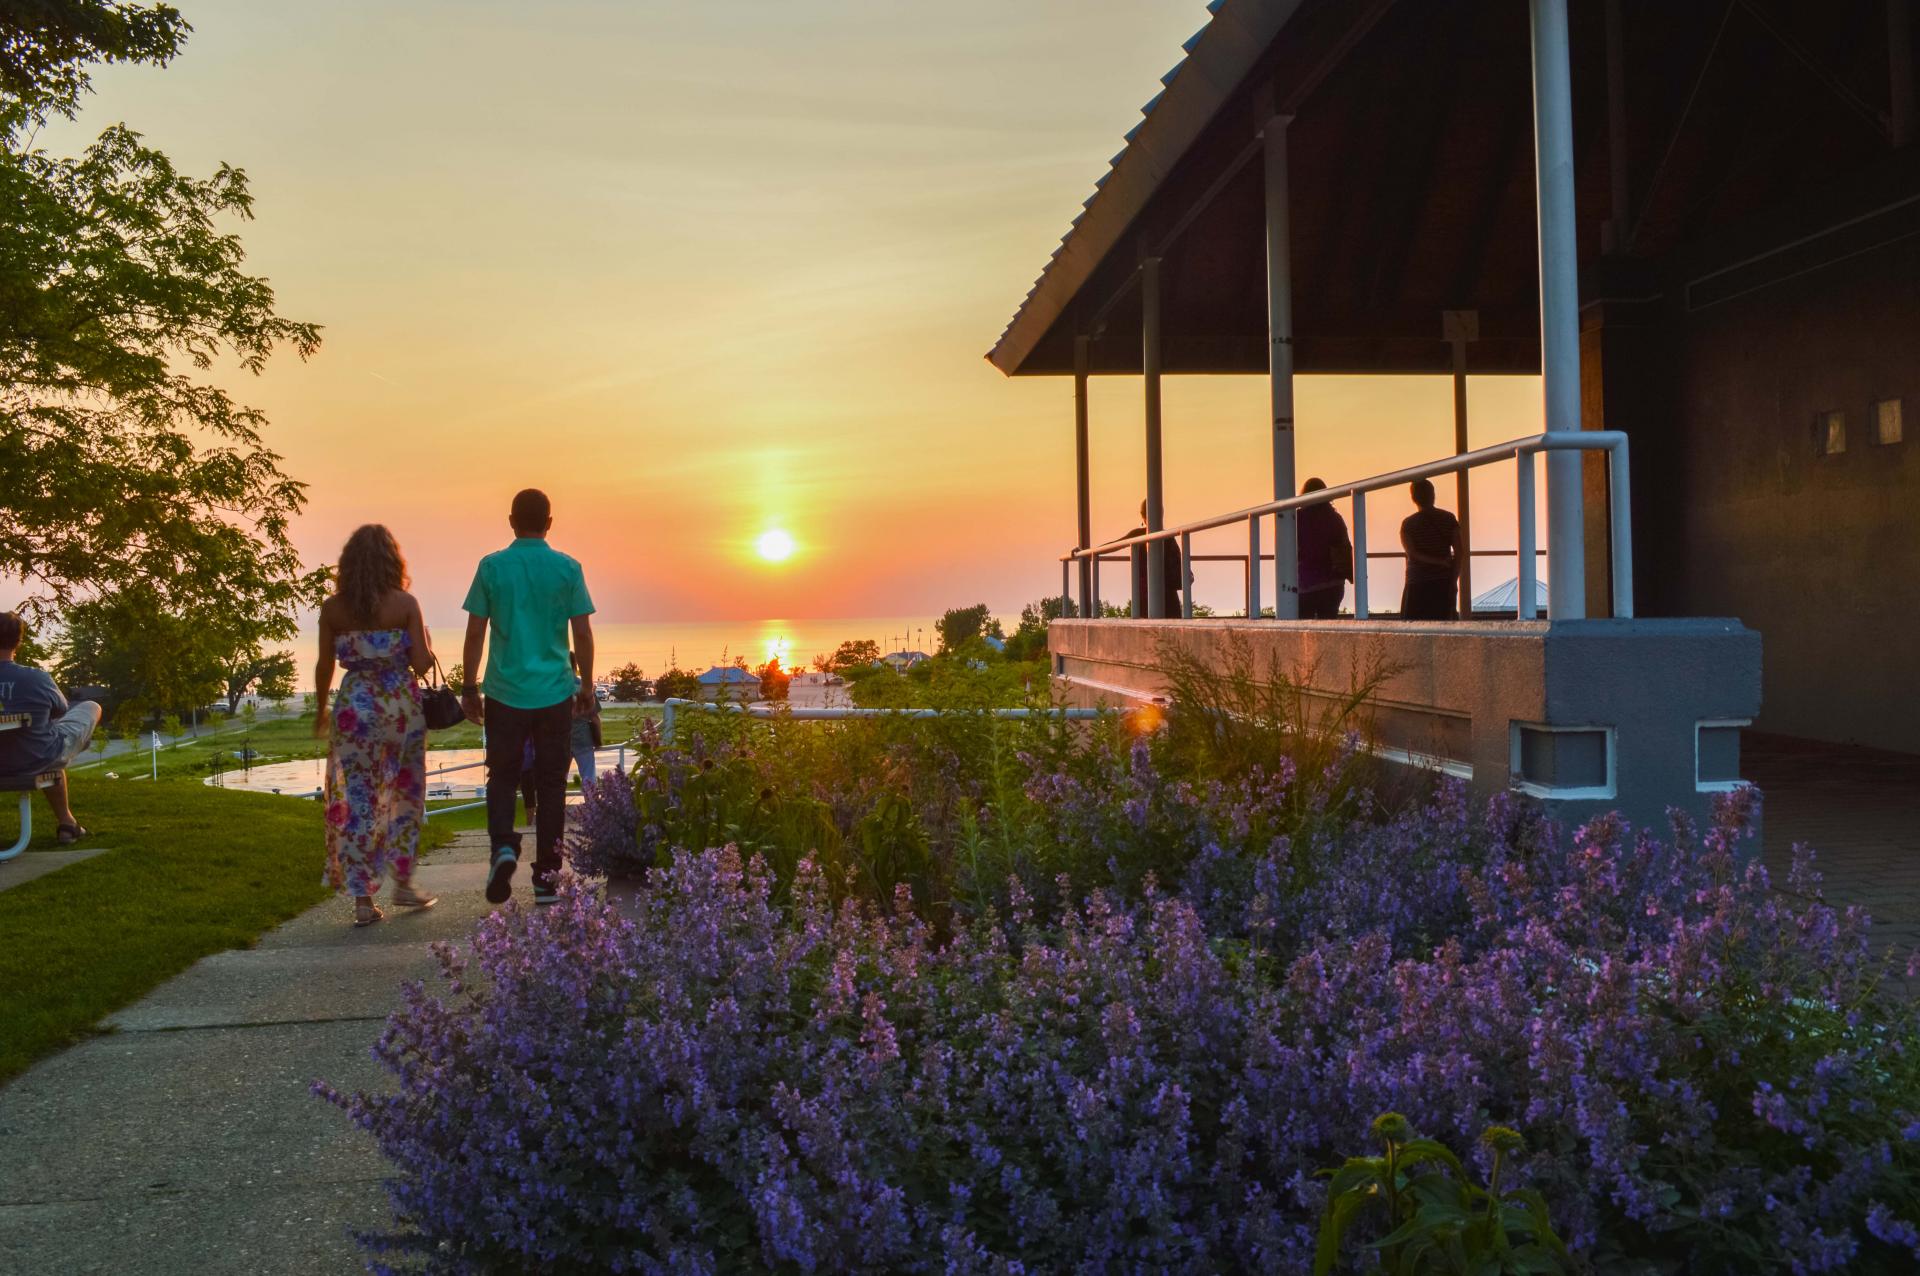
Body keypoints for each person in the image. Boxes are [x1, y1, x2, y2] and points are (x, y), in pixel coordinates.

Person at [461, 489, 596, 907]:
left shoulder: (491, 567)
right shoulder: (567, 568)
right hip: (555, 691)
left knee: (501, 775)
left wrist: (468, 687)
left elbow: (475, 632)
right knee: (552, 783)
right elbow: (583, 633)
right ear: (549, 522)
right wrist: (586, 686)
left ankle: (503, 845)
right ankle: (547, 879)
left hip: (504, 692)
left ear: (511, 520)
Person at [313, 526, 439, 927]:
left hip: (354, 710)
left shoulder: (333, 609)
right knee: (405, 795)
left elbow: (323, 666)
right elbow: (421, 663)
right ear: (392, 560)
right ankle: (403, 882)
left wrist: (320, 710)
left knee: (359, 803)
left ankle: (363, 902)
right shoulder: (405, 604)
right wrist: (425, 641)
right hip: (400, 708)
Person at [0, 611, 102, 845]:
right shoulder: (37, 679)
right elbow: (61, 709)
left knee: (46, 740)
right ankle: (66, 825)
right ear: (19, 641)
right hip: (34, 759)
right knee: (91, 707)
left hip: (27, 754)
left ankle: (68, 823)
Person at [1399, 478, 1462, 620]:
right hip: (1443, 582)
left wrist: (1437, 561)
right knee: (1443, 628)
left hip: (1417, 582)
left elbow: (1412, 554)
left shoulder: (1408, 524)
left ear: (1413, 498)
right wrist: (1453, 581)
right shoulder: (1448, 518)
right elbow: (1459, 552)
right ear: (1433, 495)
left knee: (1413, 629)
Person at [1295, 477, 1354, 619]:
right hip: (1333, 583)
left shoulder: (1297, 518)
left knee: (1303, 629)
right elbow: (1345, 546)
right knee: (1328, 624)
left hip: (1306, 583)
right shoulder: (1335, 518)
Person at [1121, 499, 1183, 619]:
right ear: (1162, 514)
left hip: (1143, 600)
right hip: (1168, 600)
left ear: (1142, 515)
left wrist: (1083, 551)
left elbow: (1112, 545)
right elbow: (1177, 575)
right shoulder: (1168, 538)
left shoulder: (1136, 536)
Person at [570, 653, 602, 789]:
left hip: (561, 739)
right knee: (588, 777)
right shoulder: (584, 687)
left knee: (558, 780)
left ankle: (558, 809)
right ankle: (592, 807)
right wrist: (598, 739)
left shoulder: (555, 689)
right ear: (575, 666)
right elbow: (595, 718)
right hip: (584, 738)